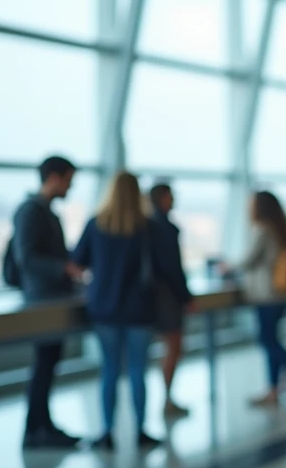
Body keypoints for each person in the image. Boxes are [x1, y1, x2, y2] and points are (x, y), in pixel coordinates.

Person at [73, 172, 186, 451]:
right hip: (139, 307)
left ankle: (107, 431)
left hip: (103, 307)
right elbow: (168, 268)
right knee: (137, 369)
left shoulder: (96, 224)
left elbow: (78, 261)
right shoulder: (148, 227)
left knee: (110, 369)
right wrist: (184, 296)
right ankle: (140, 430)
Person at [13, 155, 85, 450]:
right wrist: (63, 268)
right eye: (68, 180)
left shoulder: (48, 213)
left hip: (54, 300)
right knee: (43, 364)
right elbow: (26, 258)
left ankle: (43, 424)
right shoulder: (30, 212)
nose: (70, 187)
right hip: (42, 301)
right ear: (54, 177)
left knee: (49, 362)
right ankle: (35, 429)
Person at [225, 191, 286, 407]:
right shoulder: (281, 228)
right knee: (271, 338)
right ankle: (274, 388)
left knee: (267, 340)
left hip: (267, 295)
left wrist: (227, 267)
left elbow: (249, 259)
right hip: (282, 293)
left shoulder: (262, 229)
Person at [148, 183, 193, 417]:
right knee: (173, 347)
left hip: (153, 296)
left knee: (169, 348)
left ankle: (166, 397)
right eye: (170, 196)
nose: (173, 199)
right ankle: (167, 398)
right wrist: (185, 296)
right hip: (166, 296)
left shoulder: (147, 225)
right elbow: (172, 267)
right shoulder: (163, 227)